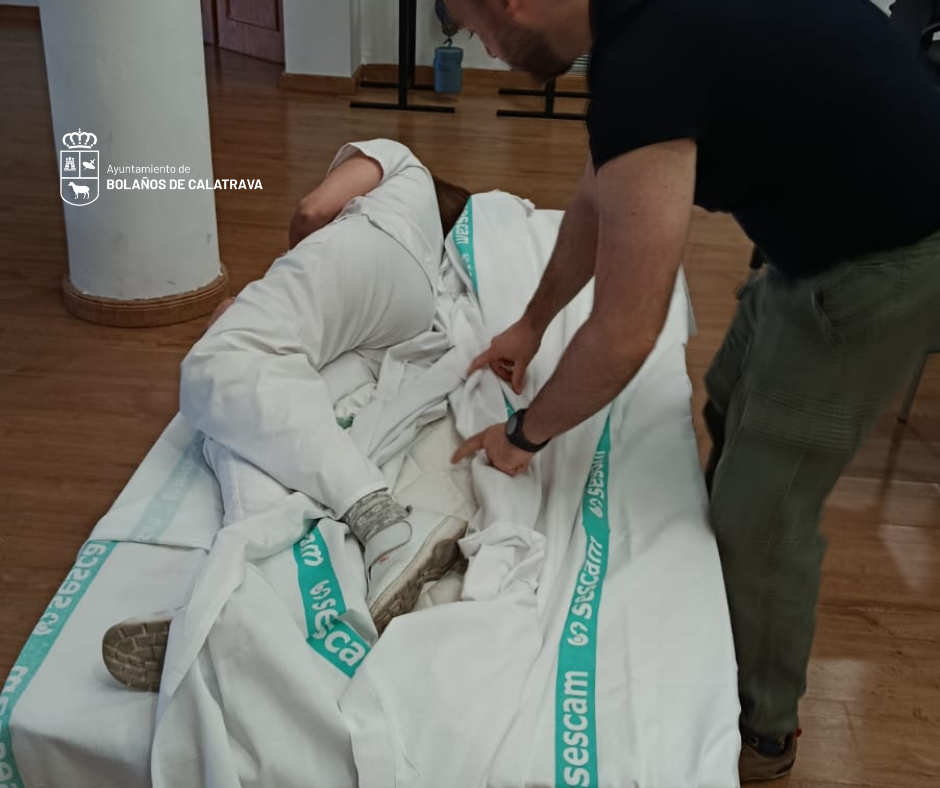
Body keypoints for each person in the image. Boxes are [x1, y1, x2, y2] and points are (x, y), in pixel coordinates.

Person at [444, 0, 940, 781]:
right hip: (818, 232)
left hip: (886, 258)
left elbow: (624, 333)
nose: (484, 49)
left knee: (759, 524)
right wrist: (532, 325)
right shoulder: (632, 29)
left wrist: (522, 436)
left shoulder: (645, 61)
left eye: (472, 25)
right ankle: (716, 584)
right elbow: (597, 197)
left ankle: (765, 732)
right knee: (724, 395)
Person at [102, 139, 472, 692]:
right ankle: (248, 596)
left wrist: (275, 285)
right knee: (244, 425)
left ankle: (387, 523)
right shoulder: (428, 244)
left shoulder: (399, 159)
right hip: (406, 313)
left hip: (372, 251)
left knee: (213, 364)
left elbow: (313, 210)